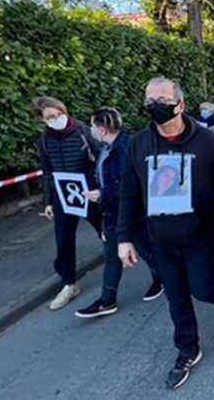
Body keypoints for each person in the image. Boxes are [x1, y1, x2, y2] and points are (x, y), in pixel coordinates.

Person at [116, 77, 214, 390]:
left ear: (180, 105)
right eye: (149, 100)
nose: (154, 105)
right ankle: (187, 349)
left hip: (198, 235)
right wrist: (123, 237)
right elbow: (129, 192)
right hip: (159, 238)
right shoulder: (138, 144)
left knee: (202, 289)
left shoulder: (207, 141)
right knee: (176, 297)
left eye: (162, 100)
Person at [75, 108, 163, 319]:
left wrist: (102, 194)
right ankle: (107, 300)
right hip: (113, 213)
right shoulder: (107, 147)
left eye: (93, 127)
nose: (92, 131)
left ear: (102, 129)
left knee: (145, 249)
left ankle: (162, 278)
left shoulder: (125, 148)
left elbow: (130, 186)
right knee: (113, 255)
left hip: (132, 212)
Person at [33, 96, 101, 311]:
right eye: (50, 117)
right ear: (43, 120)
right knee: (63, 240)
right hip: (63, 195)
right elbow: (47, 172)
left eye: (58, 114)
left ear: (65, 111)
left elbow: (101, 159)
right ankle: (69, 284)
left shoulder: (84, 131)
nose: (56, 119)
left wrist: (101, 190)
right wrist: (48, 202)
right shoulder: (44, 140)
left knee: (108, 231)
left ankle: (151, 267)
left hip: (89, 192)